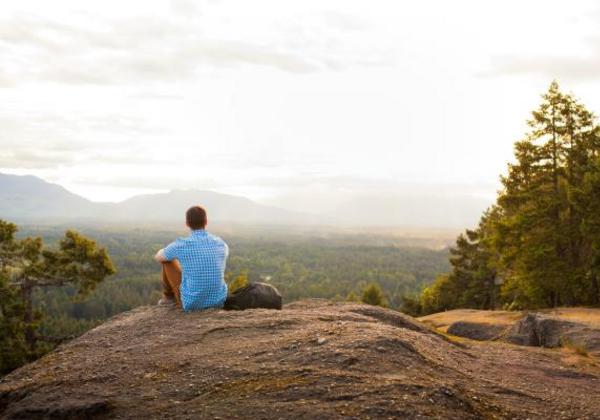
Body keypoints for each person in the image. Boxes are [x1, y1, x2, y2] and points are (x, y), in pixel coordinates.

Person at [154, 205, 229, 311]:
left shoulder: (182, 245)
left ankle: (169, 298)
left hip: (191, 303)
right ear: (206, 222)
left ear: (187, 223)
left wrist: (166, 251)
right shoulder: (221, 244)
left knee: (167, 261)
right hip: (218, 301)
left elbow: (159, 257)